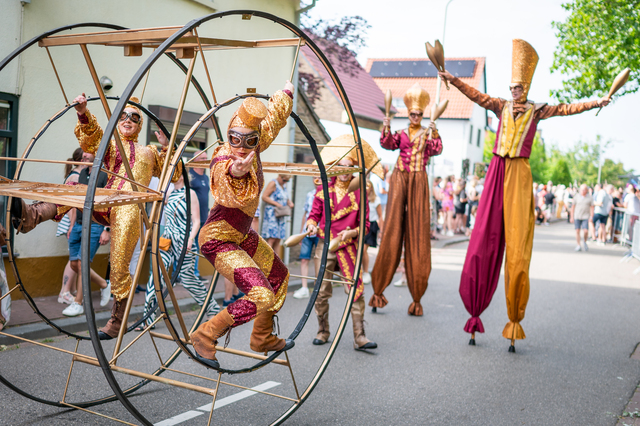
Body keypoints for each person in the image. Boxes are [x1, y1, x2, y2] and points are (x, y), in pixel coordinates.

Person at [439, 38, 610, 345]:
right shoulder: (500, 106)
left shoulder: (537, 110)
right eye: (511, 86)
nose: (513, 90)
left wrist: (596, 102)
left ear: (526, 87)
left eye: (517, 86)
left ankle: (514, 318)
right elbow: (476, 96)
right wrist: (453, 79)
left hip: (519, 173)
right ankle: (475, 311)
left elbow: (567, 108)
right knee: (483, 239)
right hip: (496, 170)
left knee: (518, 246)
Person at [9, 93, 181, 339]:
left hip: (130, 208)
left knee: (120, 265)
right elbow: (92, 139)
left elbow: (173, 173)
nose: (128, 120)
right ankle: (31, 216)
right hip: (105, 202)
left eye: (134, 117)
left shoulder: (150, 152)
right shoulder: (111, 145)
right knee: (76, 188)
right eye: (123, 116)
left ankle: (117, 320)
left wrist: (168, 144)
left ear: (140, 124)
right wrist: (83, 112)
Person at [190, 82, 295, 369]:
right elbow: (223, 185)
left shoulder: (256, 147)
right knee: (261, 294)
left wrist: (286, 93)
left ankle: (261, 336)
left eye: (249, 140)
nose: (241, 147)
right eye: (235, 139)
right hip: (217, 239)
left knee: (279, 277)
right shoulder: (224, 158)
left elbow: (272, 119)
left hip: (241, 235)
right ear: (228, 136)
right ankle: (205, 334)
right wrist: (236, 173)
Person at [369, 83, 443, 316]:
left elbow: (437, 149)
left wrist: (435, 130)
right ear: (408, 113)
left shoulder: (427, 133)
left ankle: (417, 295)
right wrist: (386, 124)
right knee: (392, 227)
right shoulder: (401, 134)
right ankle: (378, 288)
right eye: (412, 113)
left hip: (419, 181)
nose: (415, 116)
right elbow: (386, 144)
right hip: (400, 179)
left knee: (418, 232)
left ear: (422, 115)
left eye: (419, 114)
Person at [306, 135, 379, 351]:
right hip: (325, 244)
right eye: (342, 166)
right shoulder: (323, 191)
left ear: (355, 169)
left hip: (348, 248)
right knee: (320, 291)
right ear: (336, 167)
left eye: (350, 166)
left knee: (355, 291)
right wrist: (311, 225)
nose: (346, 170)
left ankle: (360, 336)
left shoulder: (360, 192)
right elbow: (314, 215)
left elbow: (365, 226)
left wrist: (353, 232)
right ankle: (323, 330)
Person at [138, 174, 220, 330]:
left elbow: (196, 221)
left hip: (184, 240)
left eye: (174, 173)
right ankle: (148, 319)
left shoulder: (190, 193)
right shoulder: (169, 194)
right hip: (167, 239)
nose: (171, 176)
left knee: (188, 279)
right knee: (156, 274)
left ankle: (212, 308)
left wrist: (190, 239)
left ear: (182, 175)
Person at [61, 151, 112, 316]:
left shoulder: (105, 174)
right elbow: (78, 201)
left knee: (83, 264)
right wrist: (72, 224)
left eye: (88, 152)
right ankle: (104, 284)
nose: (84, 155)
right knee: (75, 264)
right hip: (78, 224)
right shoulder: (82, 173)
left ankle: (78, 303)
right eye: (82, 153)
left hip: (96, 225)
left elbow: (110, 203)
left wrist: (107, 229)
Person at [57, 147, 84, 305]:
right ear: (82, 160)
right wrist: (72, 224)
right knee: (74, 258)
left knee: (75, 256)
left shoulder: (76, 174)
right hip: (71, 221)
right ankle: (64, 292)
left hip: (72, 221)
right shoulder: (76, 176)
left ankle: (71, 290)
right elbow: (71, 204)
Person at [293, 177, 321, 299]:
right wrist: (300, 233)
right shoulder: (309, 194)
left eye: (319, 177)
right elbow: (306, 214)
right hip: (307, 232)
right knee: (304, 259)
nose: (317, 179)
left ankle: (318, 287)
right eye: (315, 177)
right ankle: (304, 288)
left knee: (319, 261)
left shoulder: (328, 194)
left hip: (321, 232)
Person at [261, 174, 294, 255]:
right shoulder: (273, 183)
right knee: (272, 238)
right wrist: (276, 204)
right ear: (280, 176)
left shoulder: (283, 186)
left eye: (287, 181)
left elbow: (285, 198)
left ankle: (277, 263)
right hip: (272, 215)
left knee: (278, 239)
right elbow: (264, 197)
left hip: (281, 215)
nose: (285, 182)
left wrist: (289, 203)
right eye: (284, 180)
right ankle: (266, 262)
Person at [362, 180, 383, 284]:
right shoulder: (360, 198)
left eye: (368, 186)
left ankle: (365, 272)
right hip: (361, 225)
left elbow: (380, 216)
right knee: (360, 250)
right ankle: (360, 271)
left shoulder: (376, 200)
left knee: (363, 249)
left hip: (371, 226)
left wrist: (381, 231)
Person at [570, 184, 594, 252]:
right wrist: (571, 216)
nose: (583, 191)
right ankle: (578, 245)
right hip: (577, 216)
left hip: (585, 216)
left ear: (586, 190)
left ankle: (585, 241)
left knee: (586, 231)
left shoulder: (590, 197)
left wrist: (591, 216)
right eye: (581, 190)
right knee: (577, 230)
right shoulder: (576, 196)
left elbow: (592, 207)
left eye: (584, 190)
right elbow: (573, 207)